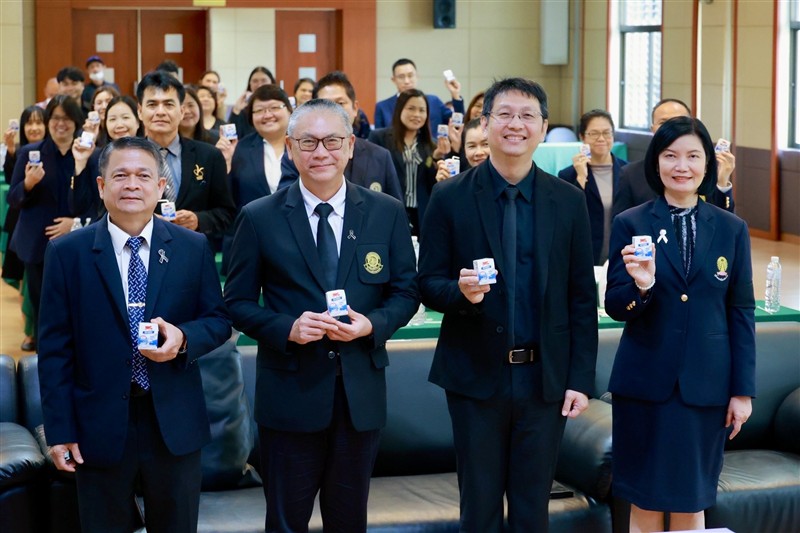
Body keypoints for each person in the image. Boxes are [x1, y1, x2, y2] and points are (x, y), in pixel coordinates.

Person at [224, 98, 419, 532]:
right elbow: (235, 303)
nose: (321, 152)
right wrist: (288, 328)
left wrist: (373, 325)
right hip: (290, 395)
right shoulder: (259, 217)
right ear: (291, 148)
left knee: (348, 522)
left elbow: (406, 292)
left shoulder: (385, 212)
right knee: (285, 522)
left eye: (332, 141)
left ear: (350, 146)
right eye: (308, 142)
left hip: (359, 396)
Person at [418, 78, 597, 532]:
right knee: (478, 509)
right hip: (475, 378)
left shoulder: (568, 201)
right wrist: (460, 293)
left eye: (527, 115)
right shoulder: (450, 196)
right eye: (505, 114)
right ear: (485, 123)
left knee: (532, 510)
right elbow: (427, 284)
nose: (516, 124)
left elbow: (581, 297)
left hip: (544, 381)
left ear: (543, 127)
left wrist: (580, 379)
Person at [37, 136, 231, 532]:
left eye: (143, 176)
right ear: (101, 186)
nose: (131, 185)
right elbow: (54, 349)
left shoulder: (192, 247)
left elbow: (217, 320)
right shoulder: (67, 253)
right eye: (120, 175)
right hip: (99, 424)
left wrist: (183, 338)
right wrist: (59, 430)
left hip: (173, 421)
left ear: (160, 187)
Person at [604, 116, 755, 532]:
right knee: (644, 503)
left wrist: (742, 391)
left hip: (705, 388)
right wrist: (643, 286)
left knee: (691, 503)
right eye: (671, 156)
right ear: (656, 162)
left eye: (693, 156)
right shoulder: (631, 223)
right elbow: (615, 305)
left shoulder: (731, 228)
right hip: (644, 385)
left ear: (708, 164)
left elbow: (741, 311)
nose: (681, 166)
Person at [8, 95, 97, 341]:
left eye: (67, 118)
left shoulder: (89, 154)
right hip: (37, 245)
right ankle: (42, 355)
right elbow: (13, 199)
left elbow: (96, 202)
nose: (60, 124)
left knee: (76, 306)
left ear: (76, 121)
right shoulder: (30, 152)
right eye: (55, 118)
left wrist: (75, 223)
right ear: (48, 121)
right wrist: (28, 183)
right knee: (42, 307)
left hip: (78, 243)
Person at [136, 70, 235, 238]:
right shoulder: (127, 158)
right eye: (152, 105)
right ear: (140, 111)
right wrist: (145, 221)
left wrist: (199, 220)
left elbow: (227, 214)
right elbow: (111, 213)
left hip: (195, 248)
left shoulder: (209, 155)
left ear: (181, 111)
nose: (160, 112)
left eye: (169, 104)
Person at [280, 71, 402, 202]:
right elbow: (285, 203)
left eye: (340, 103)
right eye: (326, 104)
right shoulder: (298, 154)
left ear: (355, 108)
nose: (334, 111)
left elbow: (392, 207)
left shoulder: (380, 156)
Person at [612, 98, 736, 218]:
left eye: (679, 122)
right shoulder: (630, 174)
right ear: (652, 129)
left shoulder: (700, 170)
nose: (673, 129)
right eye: (663, 123)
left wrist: (722, 182)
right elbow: (621, 222)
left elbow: (724, 222)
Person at [368, 89, 446, 235]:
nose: (417, 114)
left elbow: (431, 184)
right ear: (399, 109)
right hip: (390, 210)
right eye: (411, 108)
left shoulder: (432, 145)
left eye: (422, 110)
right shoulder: (379, 138)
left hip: (422, 214)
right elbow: (372, 176)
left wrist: (435, 158)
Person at [2, 105, 46, 352]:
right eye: (29, 123)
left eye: (39, 122)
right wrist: (10, 151)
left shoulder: (57, 154)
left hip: (47, 230)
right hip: (21, 225)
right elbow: (12, 184)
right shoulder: (21, 151)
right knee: (25, 284)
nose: (34, 127)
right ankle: (30, 331)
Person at [558, 109, 627, 265]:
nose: (601, 138)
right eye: (594, 133)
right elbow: (564, 216)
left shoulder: (628, 172)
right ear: (582, 137)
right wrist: (581, 178)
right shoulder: (568, 175)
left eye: (606, 133)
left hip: (621, 256)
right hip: (583, 256)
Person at [216, 84, 293, 212]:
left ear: (289, 110)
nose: (267, 115)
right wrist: (226, 163)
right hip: (252, 223)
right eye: (259, 110)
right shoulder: (239, 149)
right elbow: (226, 200)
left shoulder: (304, 145)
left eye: (274, 108)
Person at [373, 58, 465, 134]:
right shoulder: (383, 107)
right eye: (401, 77)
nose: (407, 81)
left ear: (417, 76)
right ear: (393, 80)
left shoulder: (433, 101)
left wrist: (455, 95)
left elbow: (458, 124)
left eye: (410, 75)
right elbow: (379, 139)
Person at [228, 66, 276, 139]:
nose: (259, 85)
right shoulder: (243, 109)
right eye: (255, 81)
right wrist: (236, 111)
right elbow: (232, 137)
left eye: (264, 80)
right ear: (250, 84)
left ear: (271, 82)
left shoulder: (279, 106)